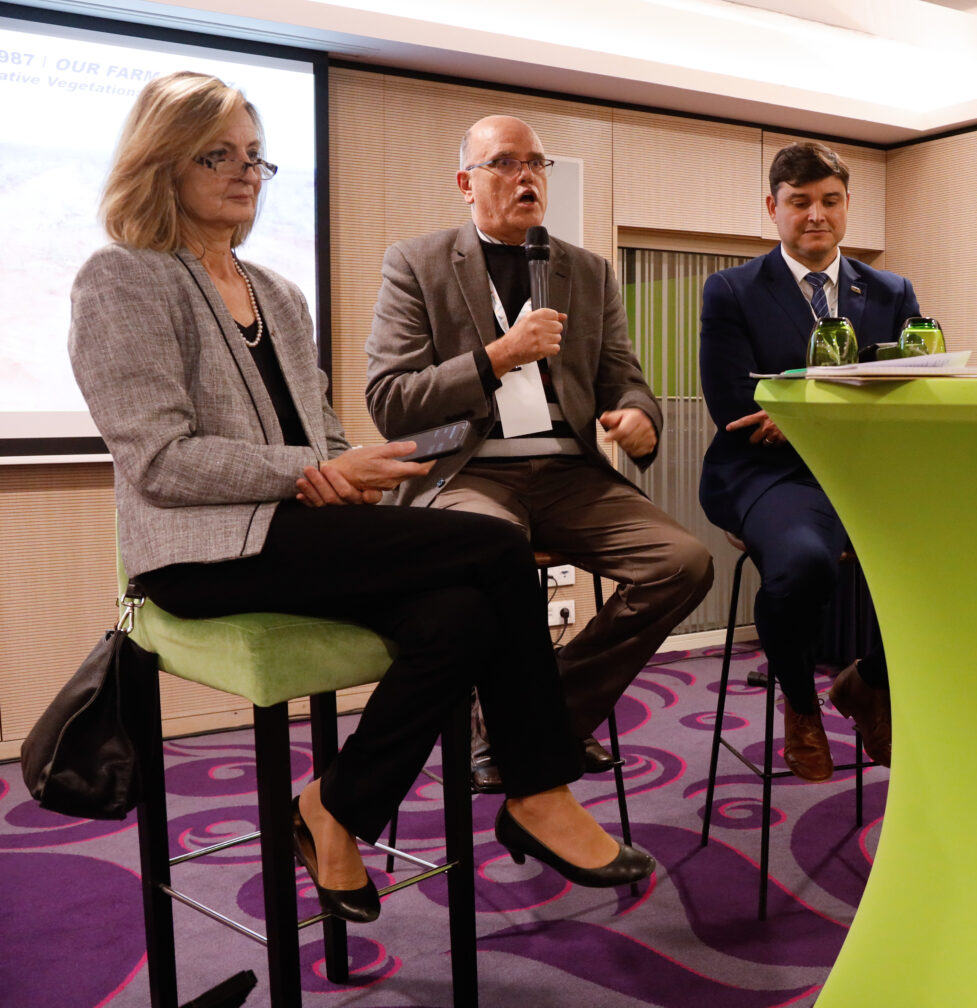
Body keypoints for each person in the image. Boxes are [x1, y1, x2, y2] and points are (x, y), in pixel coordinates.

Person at [69, 73, 654, 926]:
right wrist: (311, 473)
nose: (246, 172)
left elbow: (325, 432)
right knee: (495, 548)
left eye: (255, 157)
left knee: (461, 618)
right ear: (161, 162)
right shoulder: (122, 278)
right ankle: (536, 786)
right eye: (219, 155)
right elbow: (159, 460)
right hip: (201, 554)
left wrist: (358, 468)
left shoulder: (276, 292)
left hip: (300, 531)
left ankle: (333, 807)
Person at [365, 115, 712, 787]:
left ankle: (540, 714)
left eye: (536, 163)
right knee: (498, 560)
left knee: (683, 563)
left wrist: (639, 416)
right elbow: (391, 402)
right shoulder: (416, 263)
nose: (525, 176)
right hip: (469, 471)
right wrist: (496, 357)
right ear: (466, 183)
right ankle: (530, 726)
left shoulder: (587, 271)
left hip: (570, 475)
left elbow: (624, 378)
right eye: (505, 162)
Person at [698, 141, 915, 780]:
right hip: (767, 473)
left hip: (869, 472)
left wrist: (797, 413)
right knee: (802, 564)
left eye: (830, 200)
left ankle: (867, 681)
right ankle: (800, 700)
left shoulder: (891, 291)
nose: (816, 214)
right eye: (800, 202)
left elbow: (910, 388)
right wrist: (842, 413)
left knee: (968, 545)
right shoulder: (732, 290)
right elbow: (734, 403)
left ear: (847, 205)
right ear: (774, 208)